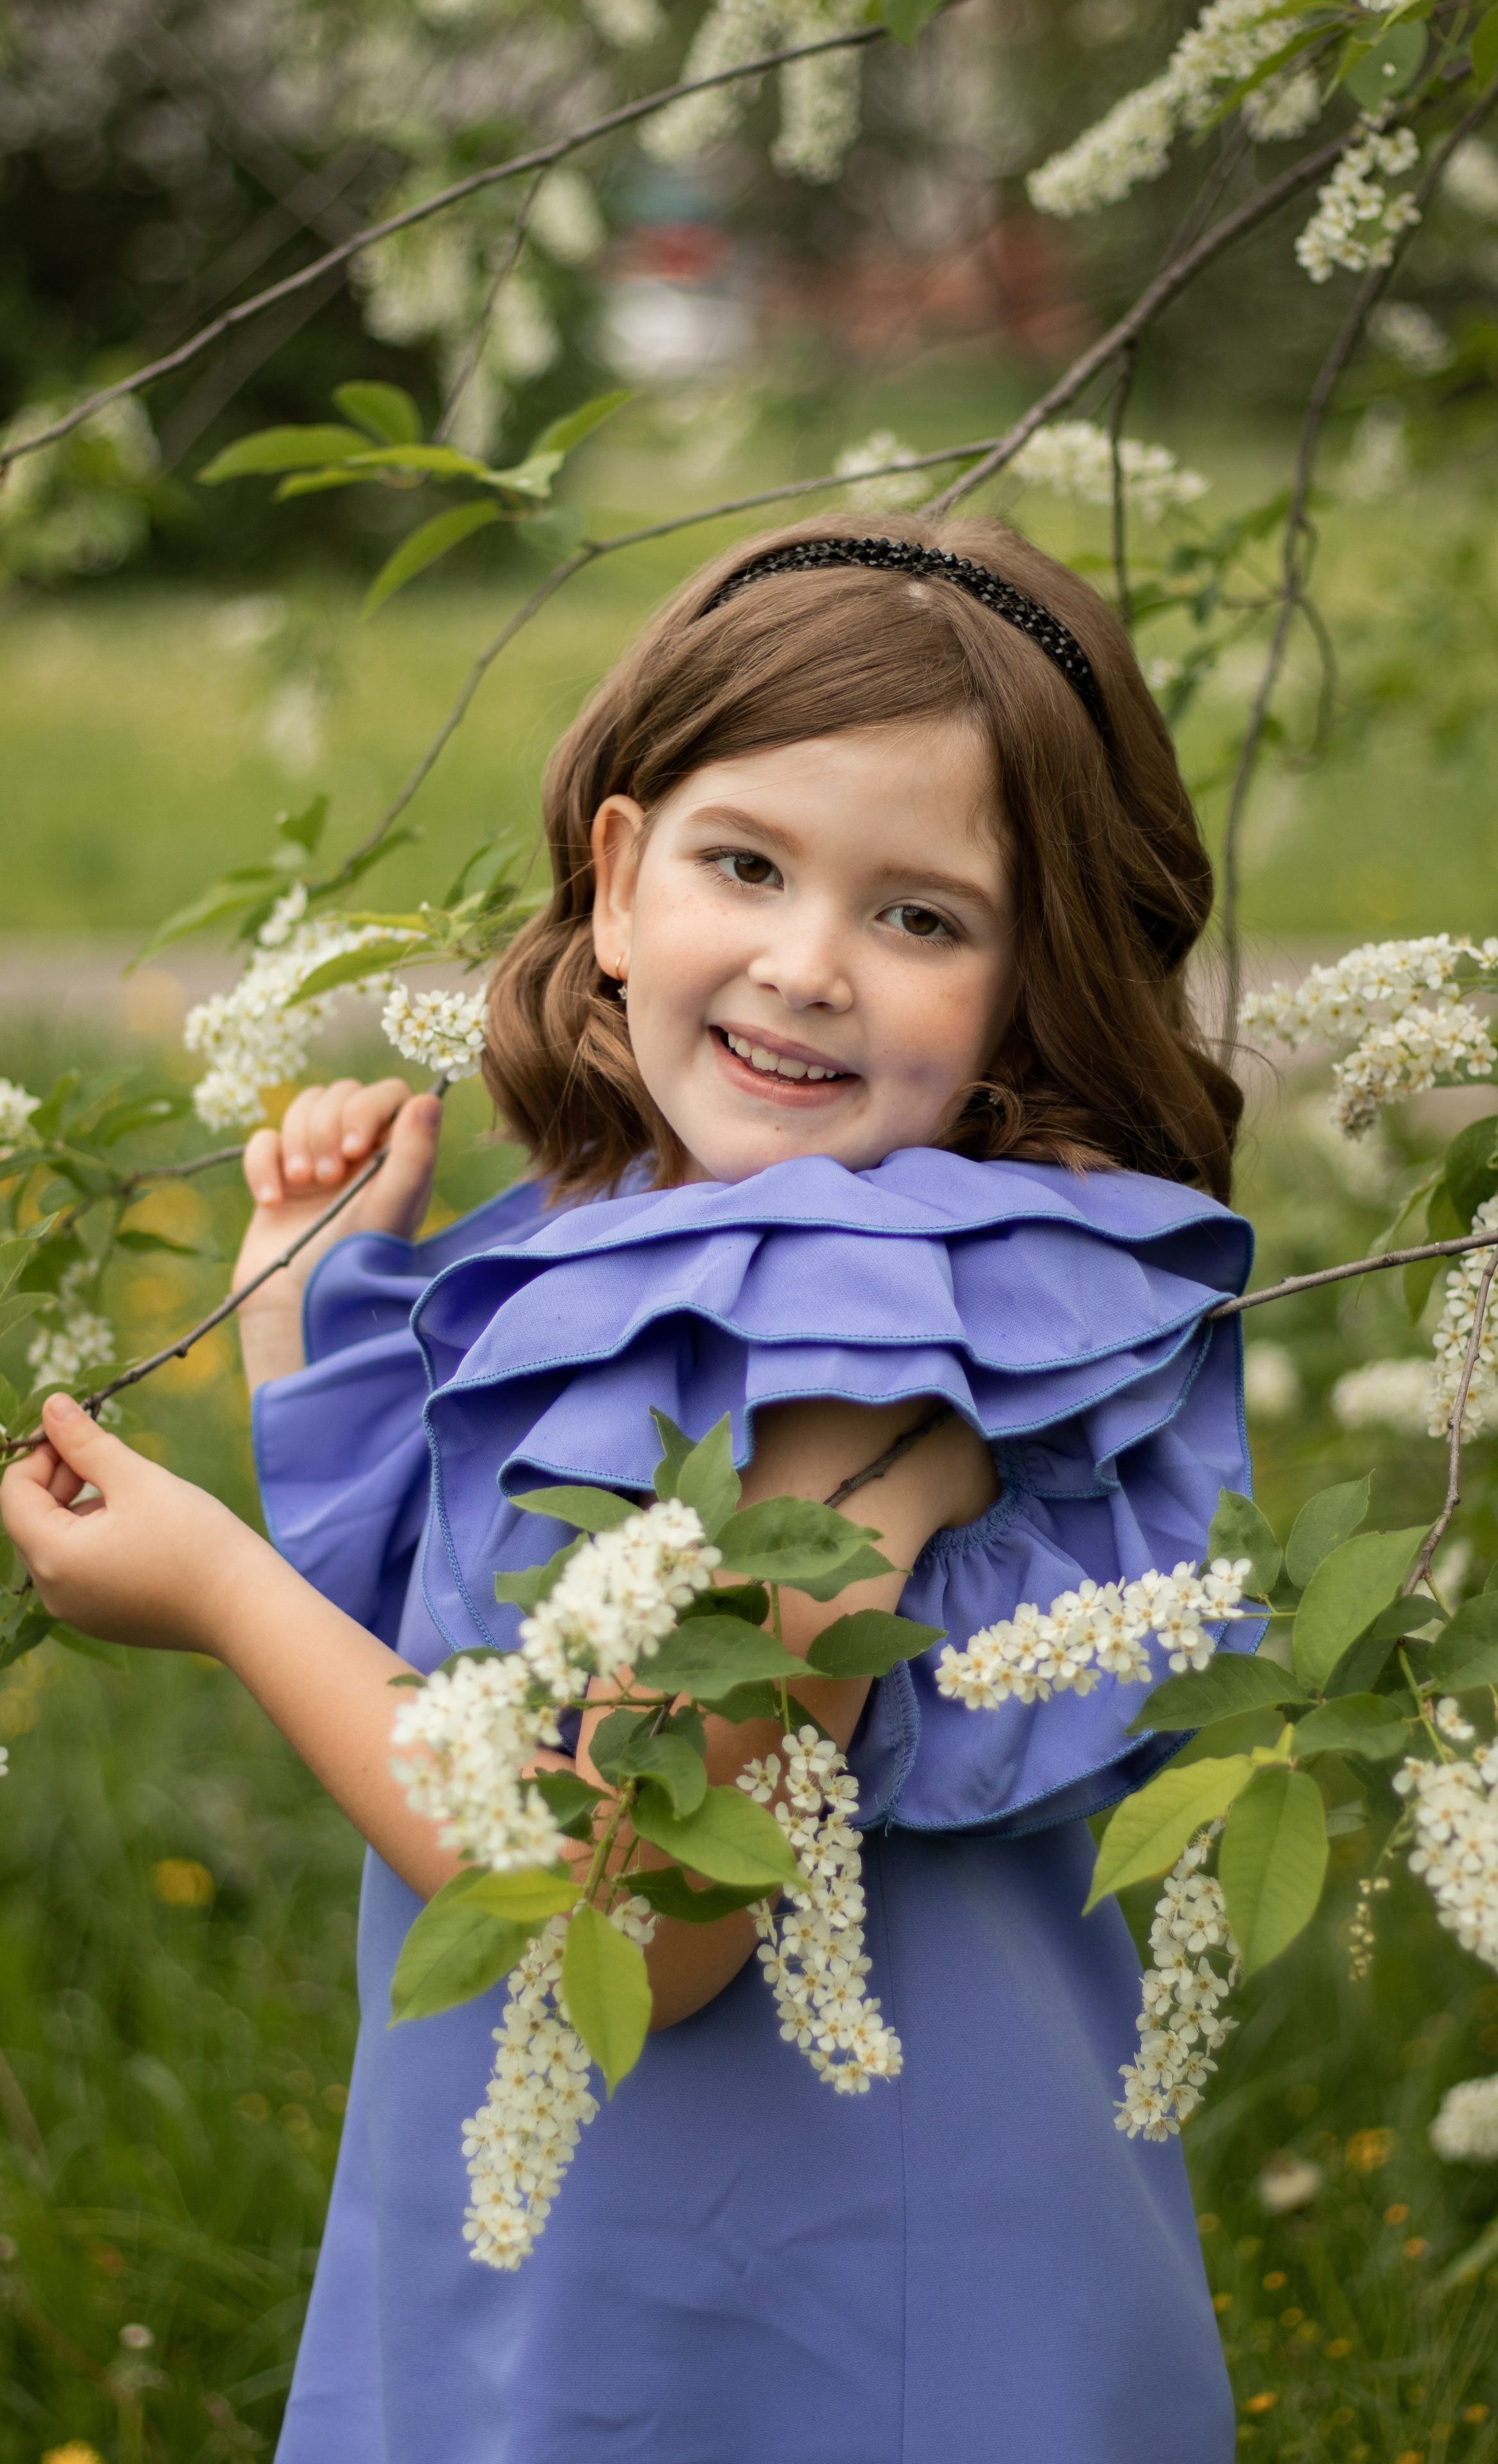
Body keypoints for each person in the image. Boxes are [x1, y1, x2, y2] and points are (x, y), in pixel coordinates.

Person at [3, 511, 1254, 2463]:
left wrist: (221, 1597)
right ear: (618, 876)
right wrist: (314, 1305)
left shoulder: (870, 1350)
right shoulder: (645, 1231)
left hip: (823, 2315)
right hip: (577, 2244)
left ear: (1037, 978)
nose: (805, 967)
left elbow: (633, 1896)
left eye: (922, 919)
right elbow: (467, 1673)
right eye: (745, 865)